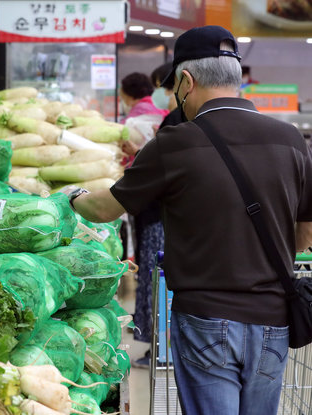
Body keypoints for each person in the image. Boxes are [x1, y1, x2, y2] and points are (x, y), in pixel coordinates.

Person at [61, 25, 312, 415]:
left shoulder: (175, 143)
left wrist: (71, 197)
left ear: (185, 81)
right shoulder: (291, 140)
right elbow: (303, 235)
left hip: (205, 318)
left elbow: (106, 209)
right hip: (273, 323)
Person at [129, 62, 185, 369]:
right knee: (158, 282)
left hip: (159, 217)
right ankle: (162, 349)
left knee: (157, 280)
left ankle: (162, 351)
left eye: (164, 88)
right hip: (164, 216)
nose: (162, 94)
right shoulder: (180, 121)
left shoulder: (176, 123)